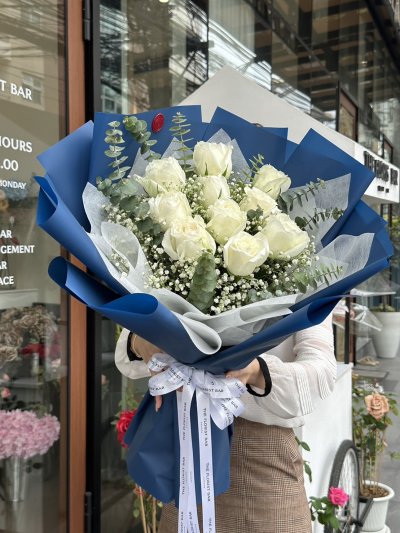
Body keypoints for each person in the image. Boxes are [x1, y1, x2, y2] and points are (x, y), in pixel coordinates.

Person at [115, 314, 335, 533]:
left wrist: (256, 371)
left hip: (264, 464)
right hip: (187, 454)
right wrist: (141, 341)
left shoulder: (311, 282)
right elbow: (130, 342)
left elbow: (320, 376)